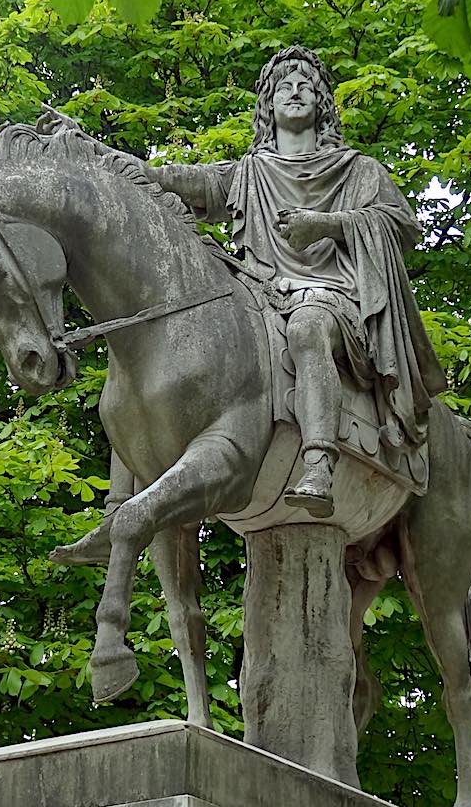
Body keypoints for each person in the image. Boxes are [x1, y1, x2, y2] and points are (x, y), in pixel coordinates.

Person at [144, 45, 446, 518]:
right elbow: (181, 180)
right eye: (283, 86)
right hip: (262, 297)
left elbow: (402, 226)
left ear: (322, 103)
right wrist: (102, 156)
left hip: (335, 299)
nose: (295, 91)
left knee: (307, 327)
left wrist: (326, 225)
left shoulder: (358, 170)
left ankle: (318, 463)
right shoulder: (250, 173)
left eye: (306, 85)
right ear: (269, 106)